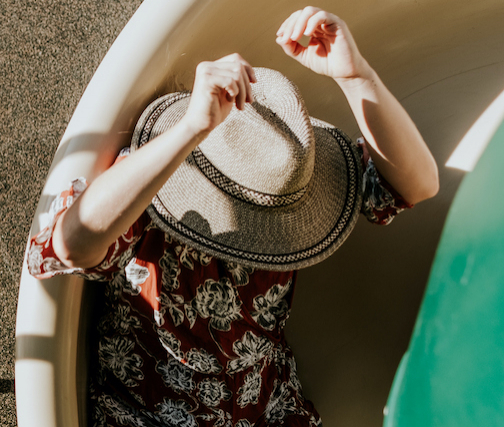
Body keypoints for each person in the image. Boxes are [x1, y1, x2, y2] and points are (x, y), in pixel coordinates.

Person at [25, 7, 438, 427]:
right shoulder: (157, 198)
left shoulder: (287, 185)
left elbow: (416, 185)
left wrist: (356, 76)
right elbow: (69, 244)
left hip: (265, 410)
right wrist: (190, 130)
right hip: (149, 417)